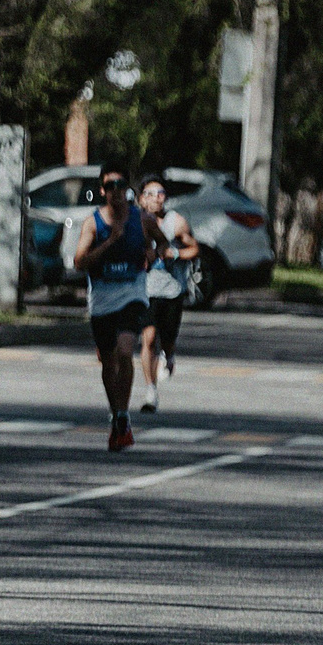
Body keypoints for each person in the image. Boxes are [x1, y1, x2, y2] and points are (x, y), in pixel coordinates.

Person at [72, 161, 164, 454]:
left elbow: (162, 245)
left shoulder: (142, 219)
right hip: (102, 298)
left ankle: (123, 416)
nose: (115, 191)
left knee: (126, 351)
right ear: (102, 190)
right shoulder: (93, 223)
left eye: (121, 185)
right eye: (109, 186)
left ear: (128, 190)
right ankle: (116, 413)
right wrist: (109, 243)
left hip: (132, 293)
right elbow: (79, 262)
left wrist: (154, 253)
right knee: (107, 361)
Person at [137, 175, 201, 412]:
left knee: (168, 339)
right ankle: (150, 390)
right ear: (141, 199)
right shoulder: (135, 222)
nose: (156, 198)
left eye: (160, 193)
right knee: (149, 339)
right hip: (146, 290)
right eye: (150, 194)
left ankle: (170, 354)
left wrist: (176, 254)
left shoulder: (176, 222)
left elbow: (194, 248)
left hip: (172, 290)